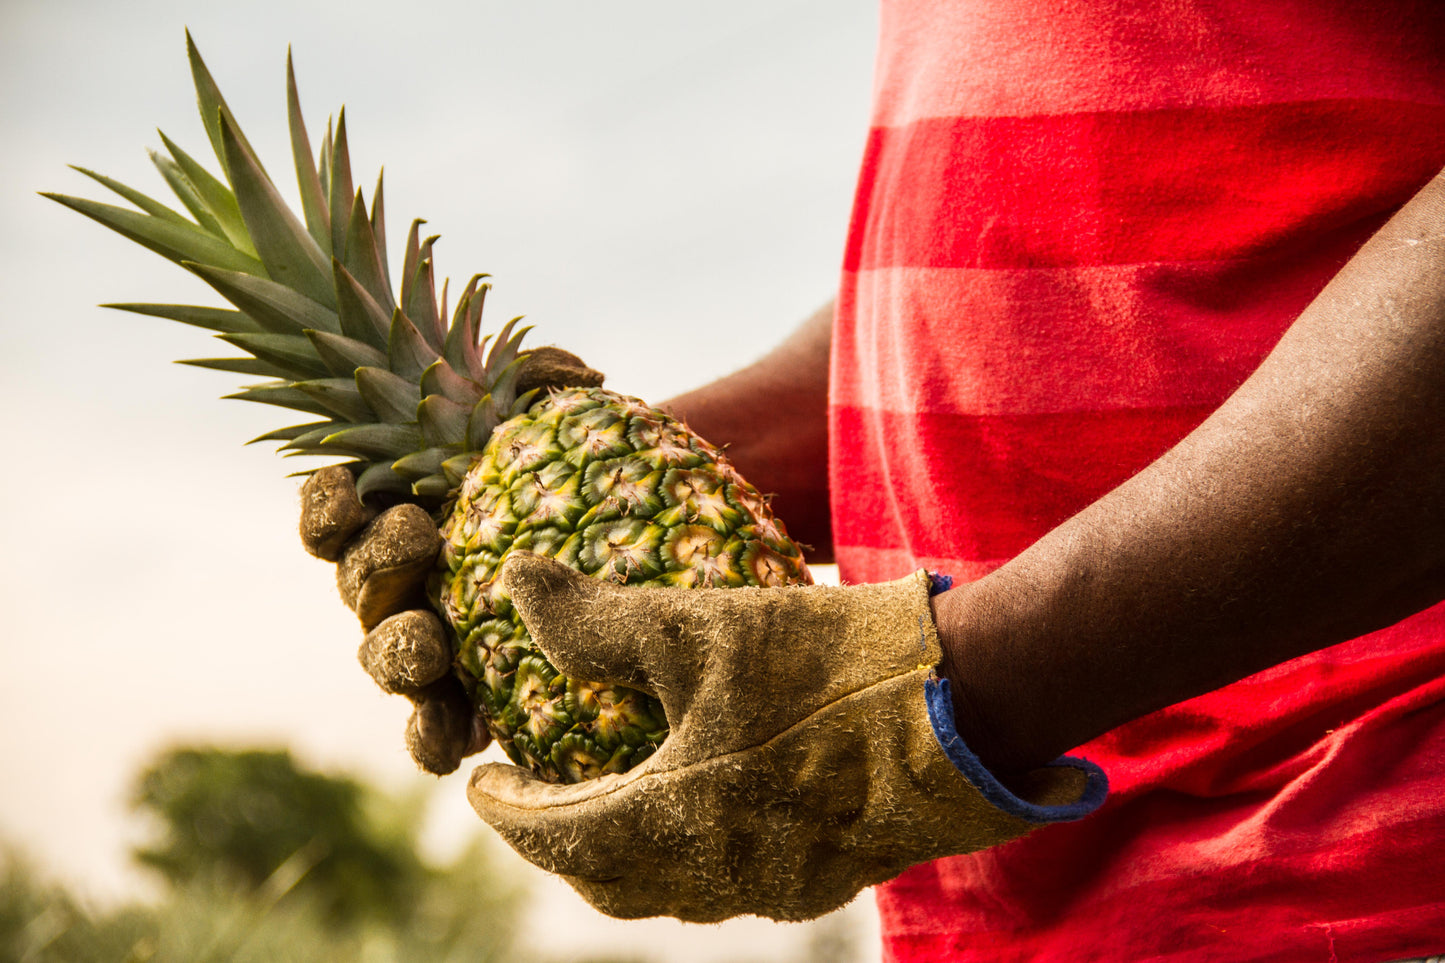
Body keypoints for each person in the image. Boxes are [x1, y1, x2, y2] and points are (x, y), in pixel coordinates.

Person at [301, 1, 1445, 958]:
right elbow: (1030, 274)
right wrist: (581, 496)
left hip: (1370, 858)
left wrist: (943, 694)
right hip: (1021, 908)